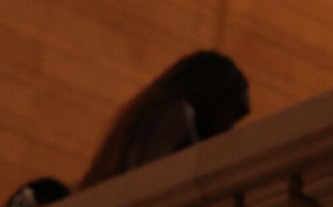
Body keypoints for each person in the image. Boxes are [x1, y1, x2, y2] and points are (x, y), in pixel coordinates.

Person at [81, 51, 250, 188]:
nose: (232, 127)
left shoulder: (142, 118)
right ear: (215, 93)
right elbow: (150, 181)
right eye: (234, 111)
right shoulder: (177, 114)